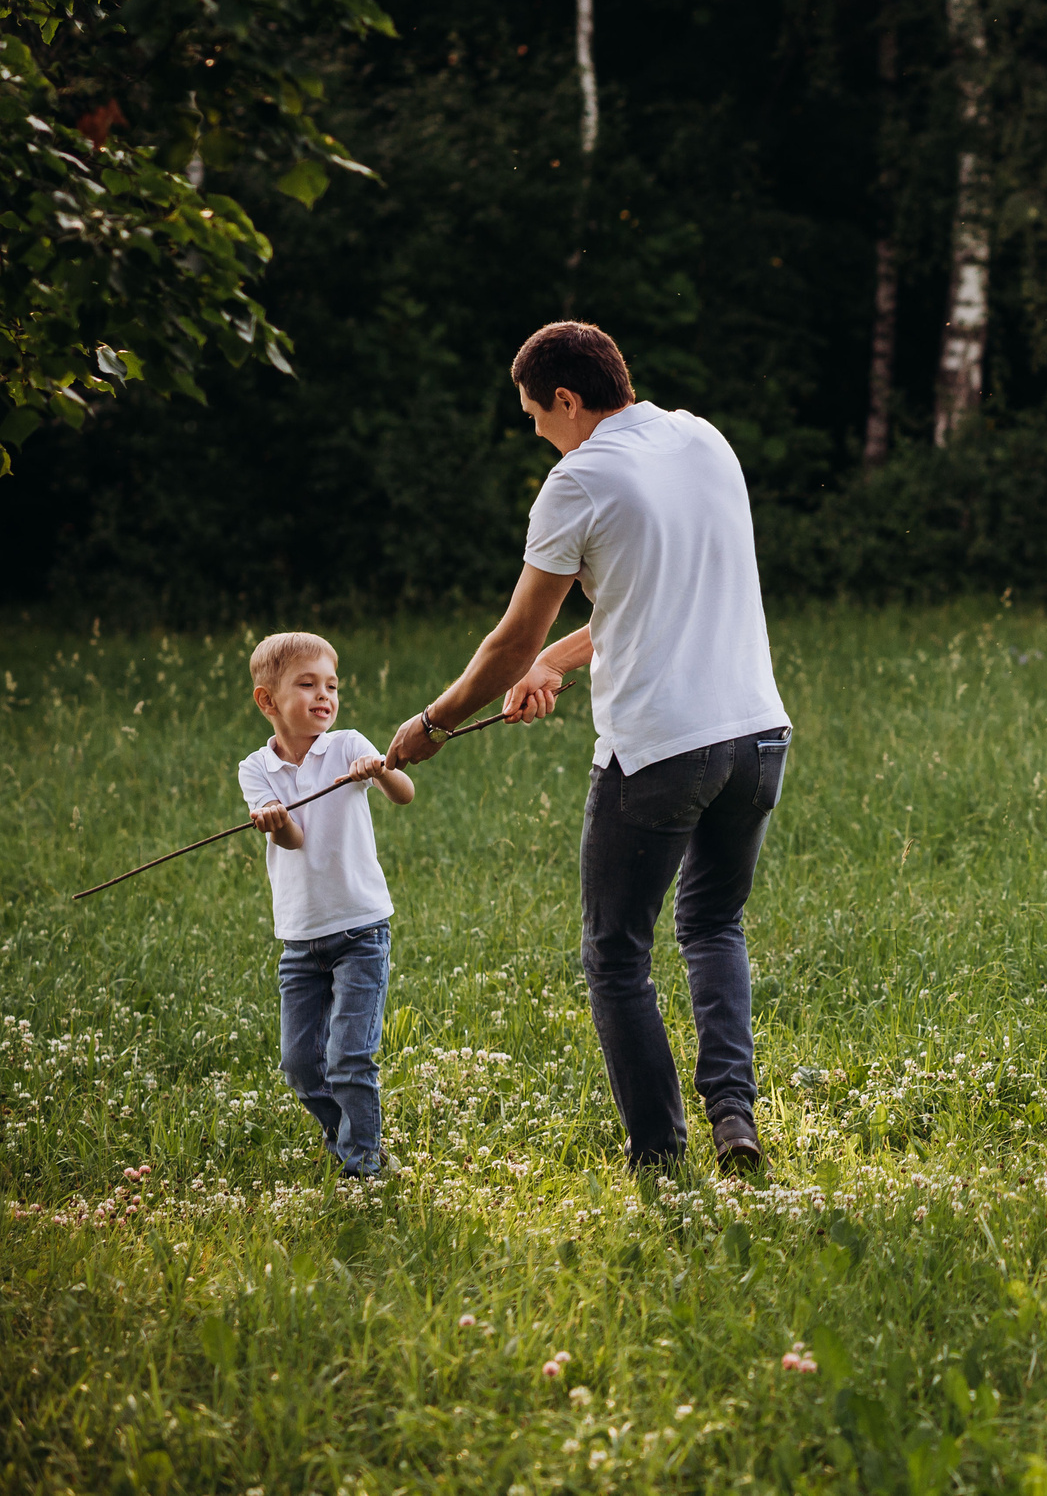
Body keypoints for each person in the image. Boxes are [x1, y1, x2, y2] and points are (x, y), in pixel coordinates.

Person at [382, 322, 791, 1174]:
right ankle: (733, 1117)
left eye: (537, 415)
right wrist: (552, 664)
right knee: (714, 923)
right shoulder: (701, 439)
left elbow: (506, 641)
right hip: (757, 736)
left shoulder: (580, 479)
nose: (537, 431)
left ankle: (657, 1156)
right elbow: (639, 604)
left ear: (568, 400)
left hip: (660, 752)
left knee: (616, 953)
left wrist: (436, 722)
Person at [240, 630, 415, 1178]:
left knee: (349, 1058)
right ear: (268, 701)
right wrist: (276, 821)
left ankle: (364, 1164)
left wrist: (379, 769)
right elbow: (293, 840)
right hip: (300, 937)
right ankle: (344, 1132)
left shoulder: (348, 744)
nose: (324, 695)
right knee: (299, 1066)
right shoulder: (256, 769)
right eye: (307, 684)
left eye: (332, 685)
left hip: (361, 929)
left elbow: (404, 793)